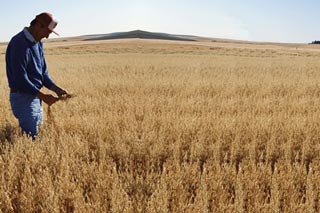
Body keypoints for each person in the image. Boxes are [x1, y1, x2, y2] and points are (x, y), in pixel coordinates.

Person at [5, 12, 70, 139]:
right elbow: (20, 79)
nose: (47, 36)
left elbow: (43, 73)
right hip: (22, 98)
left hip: (34, 96)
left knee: (37, 135)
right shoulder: (19, 43)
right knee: (32, 138)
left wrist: (56, 89)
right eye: (47, 32)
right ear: (39, 25)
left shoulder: (38, 43)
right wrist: (43, 96)